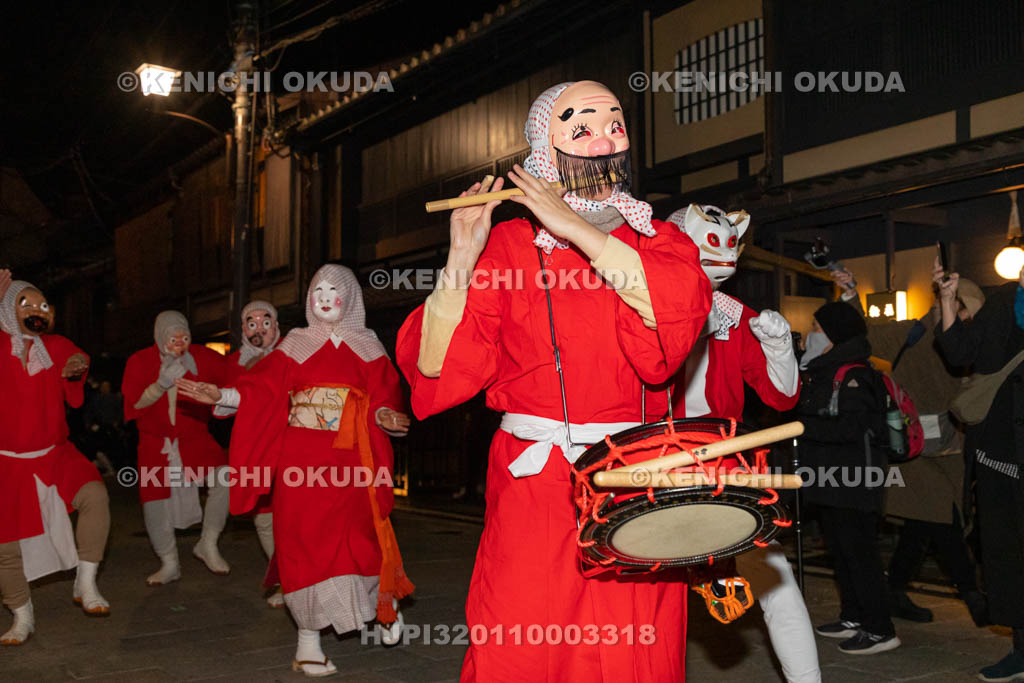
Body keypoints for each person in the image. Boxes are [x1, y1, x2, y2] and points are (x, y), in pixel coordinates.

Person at [395, 81, 711, 681]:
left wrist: (576, 228)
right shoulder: (510, 247)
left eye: (615, 125)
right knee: (521, 637)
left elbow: (669, 327)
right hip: (535, 481)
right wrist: (462, 255)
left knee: (634, 646)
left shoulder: (661, 240)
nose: (603, 141)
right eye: (581, 128)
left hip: (635, 478)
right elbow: (439, 368)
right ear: (545, 148)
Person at [177, 264, 413, 678]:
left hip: (353, 463)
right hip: (300, 463)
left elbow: (383, 398)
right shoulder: (295, 344)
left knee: (361, 539)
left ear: (350, 297)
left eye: (333, 290)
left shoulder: (370, 346)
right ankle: (307, 646)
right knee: (301, 543)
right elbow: (261, 390)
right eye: (317, 290)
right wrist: (224, 395)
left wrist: (385, 416)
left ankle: (384, 604)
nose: (324, 298)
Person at [647, 205, 820, 683]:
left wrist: (779, 348)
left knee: (774, 579)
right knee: (650, 589)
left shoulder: (737, 316)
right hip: (653, 462)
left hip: (724, 462)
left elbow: (782, 397)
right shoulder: (642, 302)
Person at [833, 263, 988, 627]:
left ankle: (895, 590)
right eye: (966, 309)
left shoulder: (971, 342)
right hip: (911, 446)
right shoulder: (914, 333)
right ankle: (973, 595)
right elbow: (864, 332)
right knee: (943, 518)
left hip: (951, 448)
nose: (968, 319)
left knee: (924, 522)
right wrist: (851, 293)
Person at [0, 270, 111, 645]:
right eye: (26, 303)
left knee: (95, 496)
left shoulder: (56, 345)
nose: (38, 310)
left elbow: (76, 363)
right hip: (7, 463)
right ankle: (22, 615)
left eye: (43, 305)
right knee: (5, 546)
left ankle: (86, 582)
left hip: (55, 454)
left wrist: (76, 368)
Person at [934, 263, 1024, 681]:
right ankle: (1021, 651)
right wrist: (947, 299)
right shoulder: (1004, 301)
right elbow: (959, 352)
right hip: (1000, 453)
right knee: (1008, 555)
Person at [797, 302, 899, 654]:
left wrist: (802, 426)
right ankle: (853, 616)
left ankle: (880, 629)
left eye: (816, 327)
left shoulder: (855, 374)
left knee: (860, 553)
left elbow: (851, 428)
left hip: (853, 480)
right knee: (841, 551)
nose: (810, 333)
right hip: (830, 478)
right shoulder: (826, 370)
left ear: (833, 335)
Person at [122, 311, 232, 585]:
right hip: (155, 443)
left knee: (225, 478)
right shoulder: (139, 361)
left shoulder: (203, 357)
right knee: (154, 503)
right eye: (173, 338)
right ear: (160, 337)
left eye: (184, 337)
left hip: (195, 437)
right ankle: (169, 561)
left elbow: (237, 375)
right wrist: (159, 385)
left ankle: (208, 542)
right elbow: (133, 406)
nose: (179, 343)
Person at [225, 300, 284, 608]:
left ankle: (308, 578)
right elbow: (221, 408)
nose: (259, 328)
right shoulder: (236, 361)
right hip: (255, 447)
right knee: (263, 518)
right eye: (251, 323)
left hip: (290, 445)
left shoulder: (293, 351)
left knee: (295, 514)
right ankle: (286, 580)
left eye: (266, 321)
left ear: (276, 325)